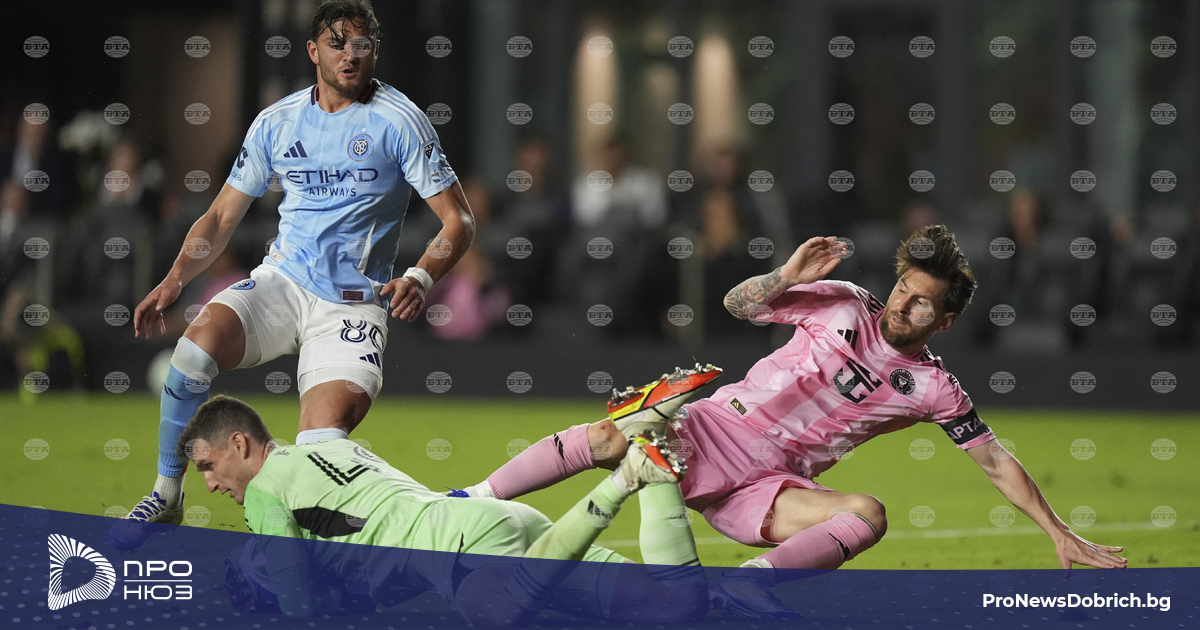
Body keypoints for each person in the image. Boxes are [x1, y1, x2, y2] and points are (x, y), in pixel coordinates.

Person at [455, 226, 1127, 617]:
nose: (903, 305)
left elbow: (995, 461)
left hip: (769, 487)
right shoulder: (842, 303)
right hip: (715, 431)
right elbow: (738, 304)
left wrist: (1059, 532)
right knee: (612, 436)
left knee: (867, 514)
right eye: (903, 289)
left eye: (923, 304)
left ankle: (749, 589)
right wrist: (784, 274)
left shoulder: (933, 387)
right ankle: (472, 501)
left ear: (945, 321)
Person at [108, 0, 476, 549]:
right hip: (282, 283)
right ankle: (167, 495)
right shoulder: (277, 122)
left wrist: (421, 276)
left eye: (362, 45)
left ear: (375, 51)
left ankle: (417, 523)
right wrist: (176, 278)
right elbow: (221, 217)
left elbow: (458, 221)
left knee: (319, 449)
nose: (350, 56)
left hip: (351, 305)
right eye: (337, 44)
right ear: (312, 51)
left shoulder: (400, 121)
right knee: (190, 356)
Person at [178, 396, 706, 624]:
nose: (209, 484)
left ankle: (622, 482)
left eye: (207, 466)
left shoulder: (265, 493)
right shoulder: (330, 447)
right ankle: (649, 449)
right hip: (496, 523)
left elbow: (298, 606)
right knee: (678, 606)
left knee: (499, 616)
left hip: (464, 557)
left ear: (239, 444)